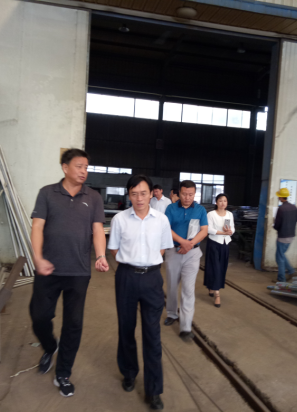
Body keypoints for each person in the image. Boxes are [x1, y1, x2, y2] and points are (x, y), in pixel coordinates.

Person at [29, 148, 109, 398]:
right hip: (48, 269)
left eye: (86, 167)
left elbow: (98, 229)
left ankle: (63, 373)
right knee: (39, 316)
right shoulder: (47, 193)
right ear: (65, 168)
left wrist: (100, 256)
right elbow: (37, 227)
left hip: (78, 271)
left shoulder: (93, 197)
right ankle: (49, 346)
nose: (84, 171)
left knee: (73, 324)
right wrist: (38, 258)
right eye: (79, 166)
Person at [108, 175, 174, 411]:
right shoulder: (119, 219)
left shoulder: (161, 220)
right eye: (134, 194)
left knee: (152, 335)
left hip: (152, 279)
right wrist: (132, 263)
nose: (139, 198)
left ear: (151, 194)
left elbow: (163, 248)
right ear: (129, 195)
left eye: (143, 193)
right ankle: (129, 373)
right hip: (126, 277)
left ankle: (154, 390)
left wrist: (147, 264)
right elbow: (114, 249)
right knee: (126, 329)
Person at [164, 180, 208, 341]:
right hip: (173, 251)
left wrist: (189, 244)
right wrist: (183, 242)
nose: (187, 197)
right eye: (184, 194)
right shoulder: (170, 208)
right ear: (179, 193)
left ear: (195, 194)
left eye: (190, 194)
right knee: (172, 285)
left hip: (192, 254)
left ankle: (186, 326)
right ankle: (171, 313)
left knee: (188, 290)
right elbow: (166, 228)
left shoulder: (200, 210)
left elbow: (204, 230)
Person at [204, 193, 235, 308]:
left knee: (222, 268)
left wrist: (230, 232)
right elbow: (209, 229)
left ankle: (212, 286)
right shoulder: (211, 214)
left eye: (225, 201)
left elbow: (232, 228)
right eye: (220, 201)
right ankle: (217, 294)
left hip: (225, 243)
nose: (223, 203)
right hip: (214, 243)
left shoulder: (230, 214)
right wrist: (222, 232)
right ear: (216, 202)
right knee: (215, 268)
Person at [273, 188, 297, 283]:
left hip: (282, 236)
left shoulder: (281, 209)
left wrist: (275, 227)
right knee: (281, 255)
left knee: (279, 257)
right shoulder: (294, 207)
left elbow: (277, 224)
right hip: (291, 235)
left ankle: (281, 279)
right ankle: (291, 271)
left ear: (281, 197)